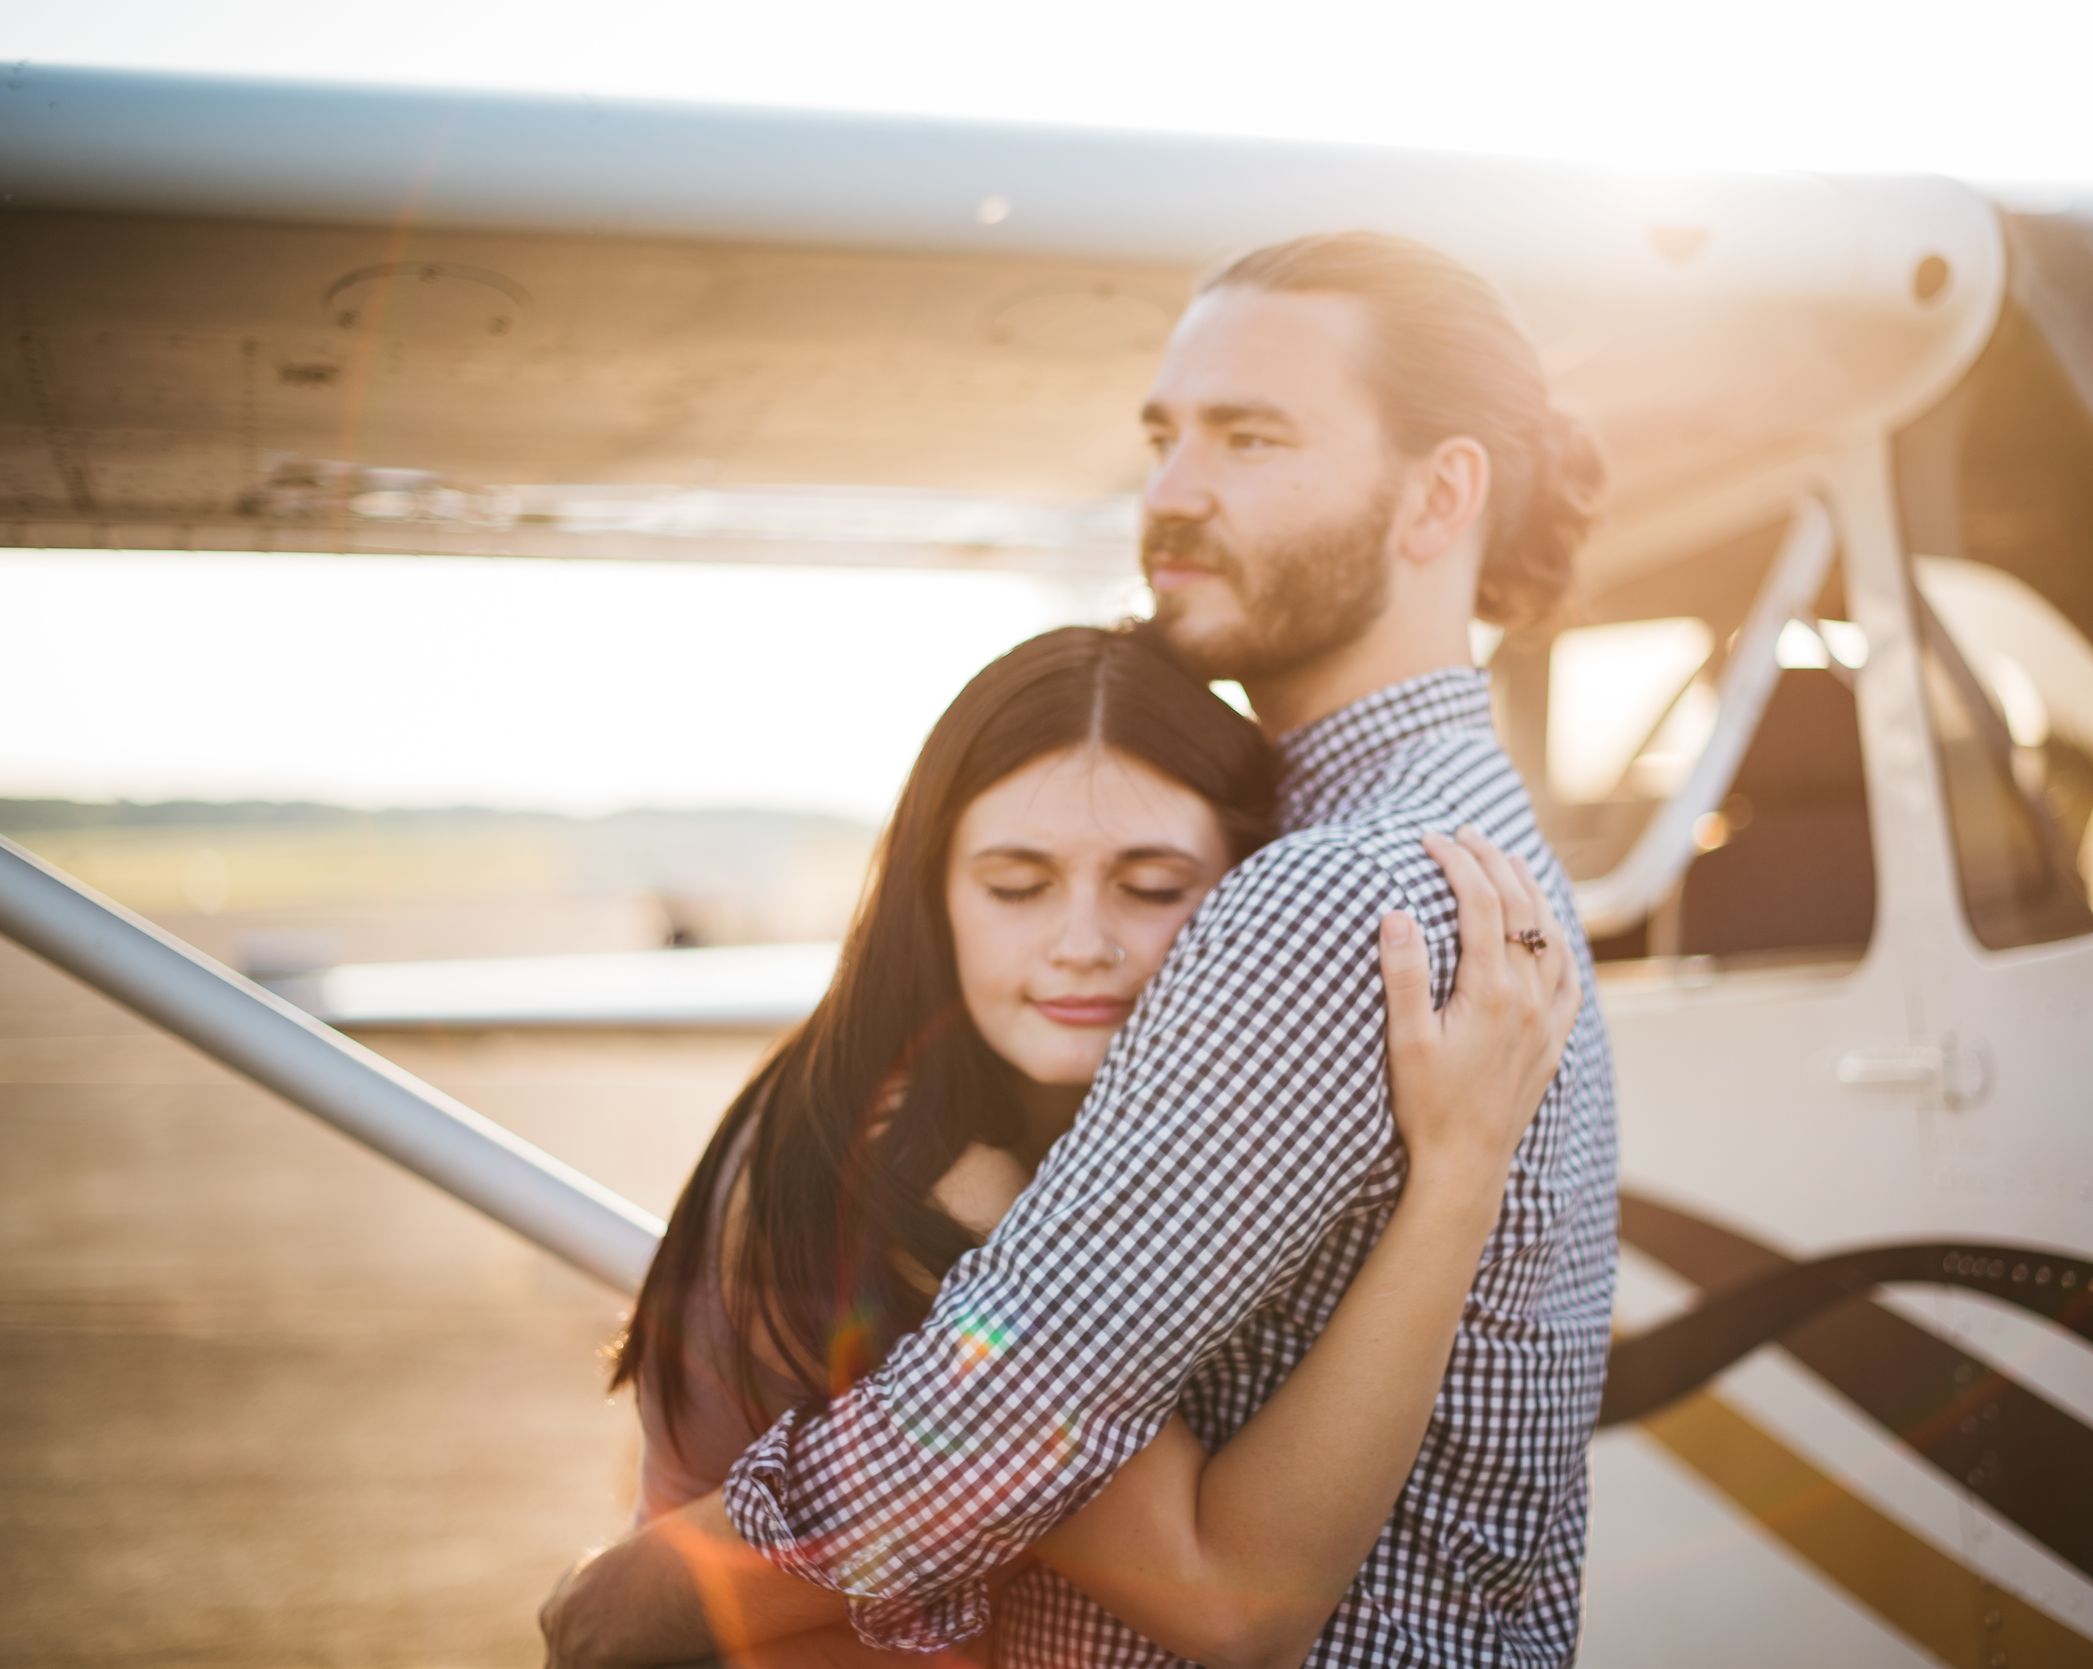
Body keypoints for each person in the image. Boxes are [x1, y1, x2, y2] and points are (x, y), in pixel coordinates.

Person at [542, 230, 1618, 1668]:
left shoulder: (1332, 892)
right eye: (1165, 437)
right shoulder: (1462, 844)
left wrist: (654, 1590)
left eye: (1250, 436)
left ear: (1440, 494)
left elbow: (1012, 1403)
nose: (1170, 495)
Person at [570, 622, 1576, 1669]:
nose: (1081, 941)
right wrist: (1460, 1173)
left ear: (1236, 894)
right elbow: (1233, 1604)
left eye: (1151, 888)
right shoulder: (936, 1167)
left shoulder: (914, 1096)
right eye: (1016, 885)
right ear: (936, 894)